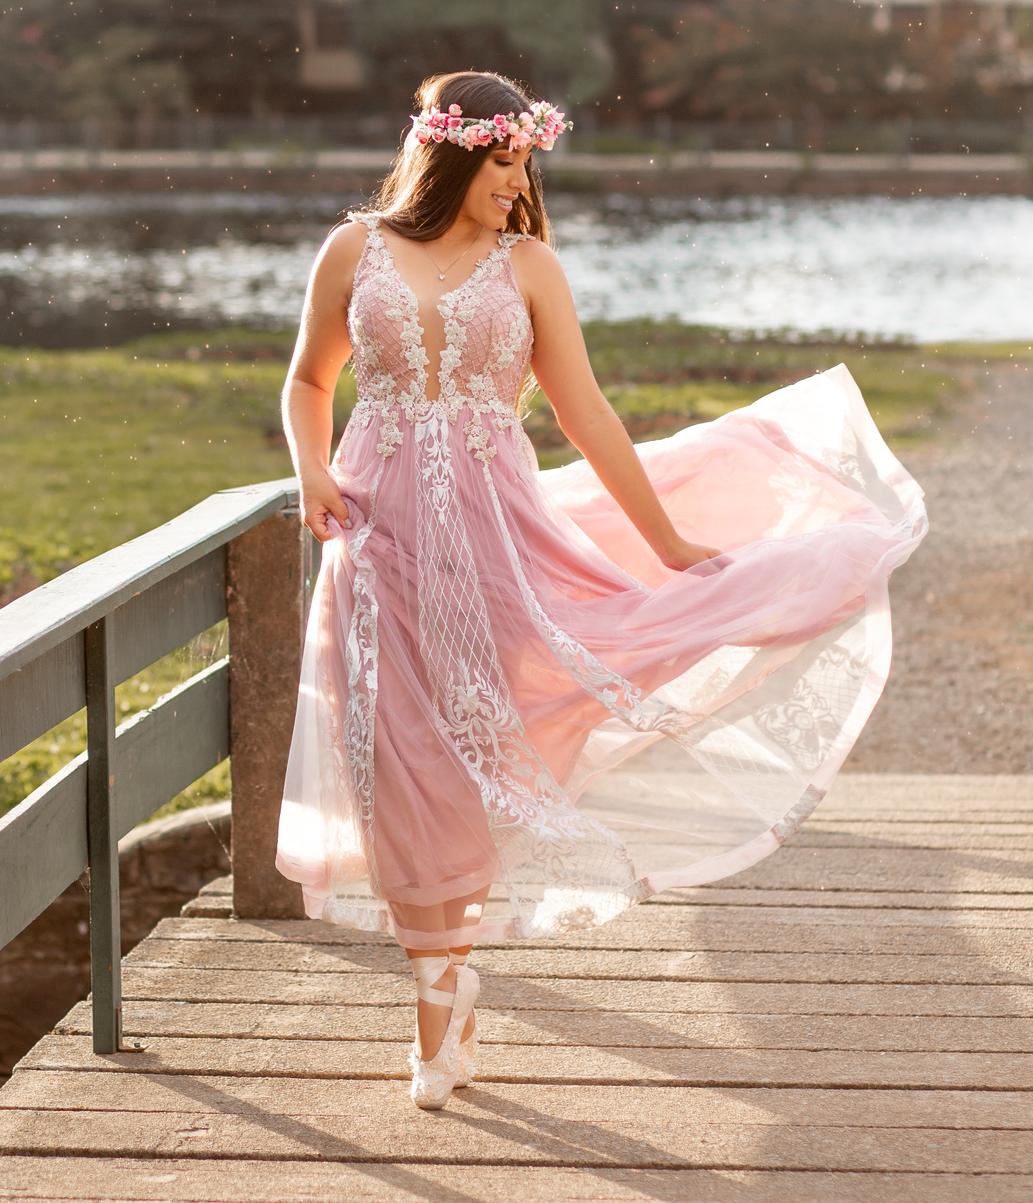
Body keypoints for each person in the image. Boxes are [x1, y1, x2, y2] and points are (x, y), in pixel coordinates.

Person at [277, 70, 926, 1109]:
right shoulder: (354, 249)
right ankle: (438, 1010)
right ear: (449, 156)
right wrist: (310, 466)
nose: (518, 181)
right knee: (400, 767)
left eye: (526, 163)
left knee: (483, 749)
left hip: (495, 547)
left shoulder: (528, 265)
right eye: (502, 163)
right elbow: (311, 380)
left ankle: (441, 996)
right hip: (376, 544)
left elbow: (584, 412)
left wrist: (666, 541)